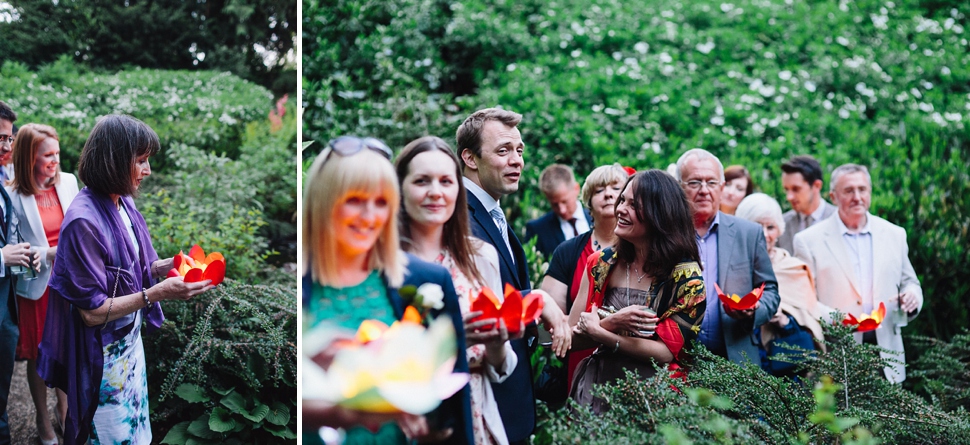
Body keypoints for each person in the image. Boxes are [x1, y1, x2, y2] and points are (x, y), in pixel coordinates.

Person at [36, 115, 214, 445]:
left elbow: (135, 268)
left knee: (135, 433)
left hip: (129, 347)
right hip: (101, 358)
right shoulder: (82, 222)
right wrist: (156, 294)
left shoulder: (123, 204)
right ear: (116, 162)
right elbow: (90, 312)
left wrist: (172, 266)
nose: (147, 171)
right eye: (142, 161)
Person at [301, 135, 474, 445]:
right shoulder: (298, 285)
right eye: (354, 199)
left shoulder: (426, 280)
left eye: (381, 202)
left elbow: (454, 409)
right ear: (323, 200)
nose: (369, 216)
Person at [397, 135, 527, 445]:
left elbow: (502, 367)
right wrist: (452, 340)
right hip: (410, 417)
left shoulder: (481, 257)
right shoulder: (386, 264)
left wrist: (497, 343)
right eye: (421, 181)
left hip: (477, 412)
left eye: (446, 181)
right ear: (399, 188)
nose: (435, 192)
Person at [568, 170, 706, 412]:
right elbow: (571, 340)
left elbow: (665, 353)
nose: (620, 209)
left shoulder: (687, 279)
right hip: (599, 391)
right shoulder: (600, 263)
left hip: (655, 399)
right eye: (623, 200)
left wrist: (603, 333)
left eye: (633, 205)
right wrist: (612, 322)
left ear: (659, 214)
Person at [793, 164, 922, 383]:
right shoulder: (808, 240)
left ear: (870, 192)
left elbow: (910, 282)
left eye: (862, 189)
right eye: (849, 191)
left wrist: (912, 297)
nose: (857, 197)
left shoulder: (894, 234)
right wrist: (840, 321)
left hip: (887, 353)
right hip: (838, 352)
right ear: (833, 196)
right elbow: (804, 299)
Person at [455, 108, 536, 445]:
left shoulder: (492, 211)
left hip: (511, 387)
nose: (516, 160)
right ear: (470, 158)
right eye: (503, 151)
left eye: (518, 150)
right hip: (486, 393)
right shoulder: (460, 220)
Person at [676, 148, 780, 366]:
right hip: (677, 361)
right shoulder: (666, 233)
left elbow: (770, 290)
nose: (704, 190)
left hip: (736, 361)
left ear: (722, 188)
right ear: (679, 186)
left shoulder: (748, 233)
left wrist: (753, 311)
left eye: (711, 183)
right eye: (695, 182)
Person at [7, 123, 78, 445]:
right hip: (36, 287)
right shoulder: (12, 194)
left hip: (69, 283)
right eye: (47, 155)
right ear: (28, 158)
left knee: (66, 350)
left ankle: (63, 411)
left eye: (57, 154)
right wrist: (47, 252)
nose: (55, 161)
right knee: (39, 357)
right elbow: (11, 245)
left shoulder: (69, 183)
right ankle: (41, 416)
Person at [540, 163, 629, 390]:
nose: (608, 194)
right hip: (580, 355)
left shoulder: (642, 250)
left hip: (630, 355)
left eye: (615, 188)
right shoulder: (569, 251)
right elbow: (549, 320)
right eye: (599, 190)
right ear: (588, 202)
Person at [735, 193, 825, 376]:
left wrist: (784, 321)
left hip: (784, 366)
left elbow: (810, 319)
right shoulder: (731, 267)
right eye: (756, 226)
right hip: (739, 360)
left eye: (770, 227)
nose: (764, 234)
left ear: (779, 230)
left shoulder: (793, 269)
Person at [0, 100, 37, 445]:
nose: (6, 147)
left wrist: (25, 255)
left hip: (7, 296)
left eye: (9, 139)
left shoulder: (6, 176)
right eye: (0, 139)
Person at [525, 164, 591, 258]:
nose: (562, 210)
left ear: (576, 189)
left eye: (565, 201)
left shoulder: (598, 218)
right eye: (554, 204)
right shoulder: (537, 230)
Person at [777, 155, 836, 253]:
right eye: (786, 190)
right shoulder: (781, 224)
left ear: (817, 186)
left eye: (796, 189)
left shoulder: (838, 219)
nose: (789, 197)